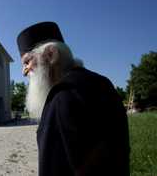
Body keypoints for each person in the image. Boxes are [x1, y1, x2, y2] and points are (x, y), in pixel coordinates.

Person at [16, 22, 130, 176]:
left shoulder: (62, 97)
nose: (24, 72)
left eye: (27, 62)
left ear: (51, 55)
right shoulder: (103, 83)